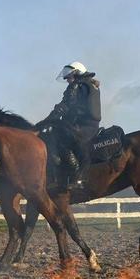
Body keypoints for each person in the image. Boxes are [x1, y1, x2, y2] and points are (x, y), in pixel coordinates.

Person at [36, 61, 101, 189]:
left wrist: (46, 122)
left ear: (77, 74)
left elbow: (64, 106)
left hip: (80, 127)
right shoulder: (90, 85)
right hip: (90, 126)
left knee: (59, 142)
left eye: (69, 77)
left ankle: (77, 176)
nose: (67, 80)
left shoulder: (76, 86)